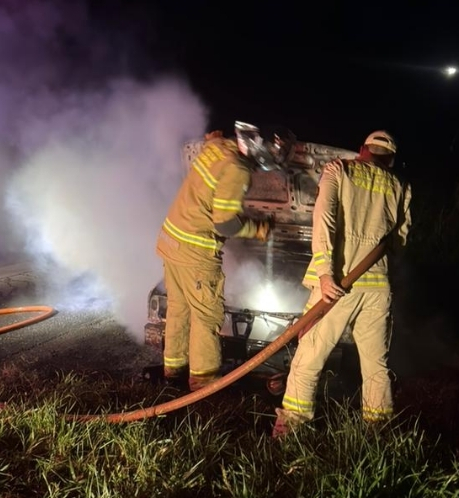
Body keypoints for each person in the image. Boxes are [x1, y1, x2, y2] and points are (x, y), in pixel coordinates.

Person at [272, 130, 412, 437]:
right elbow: (399, 241)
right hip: (378, 289)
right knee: (376, 366)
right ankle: (378, 432)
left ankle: (291, 431)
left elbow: (324, 220)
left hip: (338, 285)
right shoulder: (400, 186)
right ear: (390, 159)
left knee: (308, 359)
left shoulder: (339, 170)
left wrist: (325, 272)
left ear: (362, 149)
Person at [156, 121, 297, 391]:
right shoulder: (237, 169)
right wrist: (259, 228)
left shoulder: (219, 147)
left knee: (178, 309)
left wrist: (212, 139)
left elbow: (212, 146)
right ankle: (203, 384)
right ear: (261, 147)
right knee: (205, 317)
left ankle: (173, 373)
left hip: (171, 241)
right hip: (195, 252)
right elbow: (225, 225)